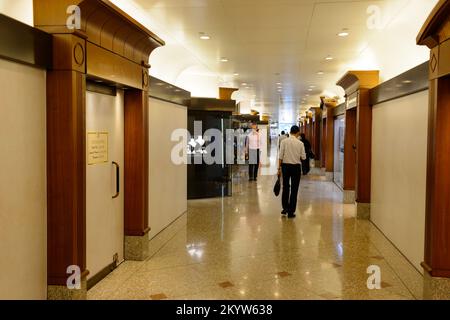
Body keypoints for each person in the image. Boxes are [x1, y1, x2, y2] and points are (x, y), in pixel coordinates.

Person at [278, 125, 306, 218]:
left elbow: (280, 156)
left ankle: (285, 208)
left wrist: (279, 169)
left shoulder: (284, 142)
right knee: (294, 189)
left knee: (286, 187)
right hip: (296, 168)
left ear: (290, 132)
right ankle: (291, 212)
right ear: (297, 132)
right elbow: (303, 157)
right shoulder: (300, 143)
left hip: (285, 167)